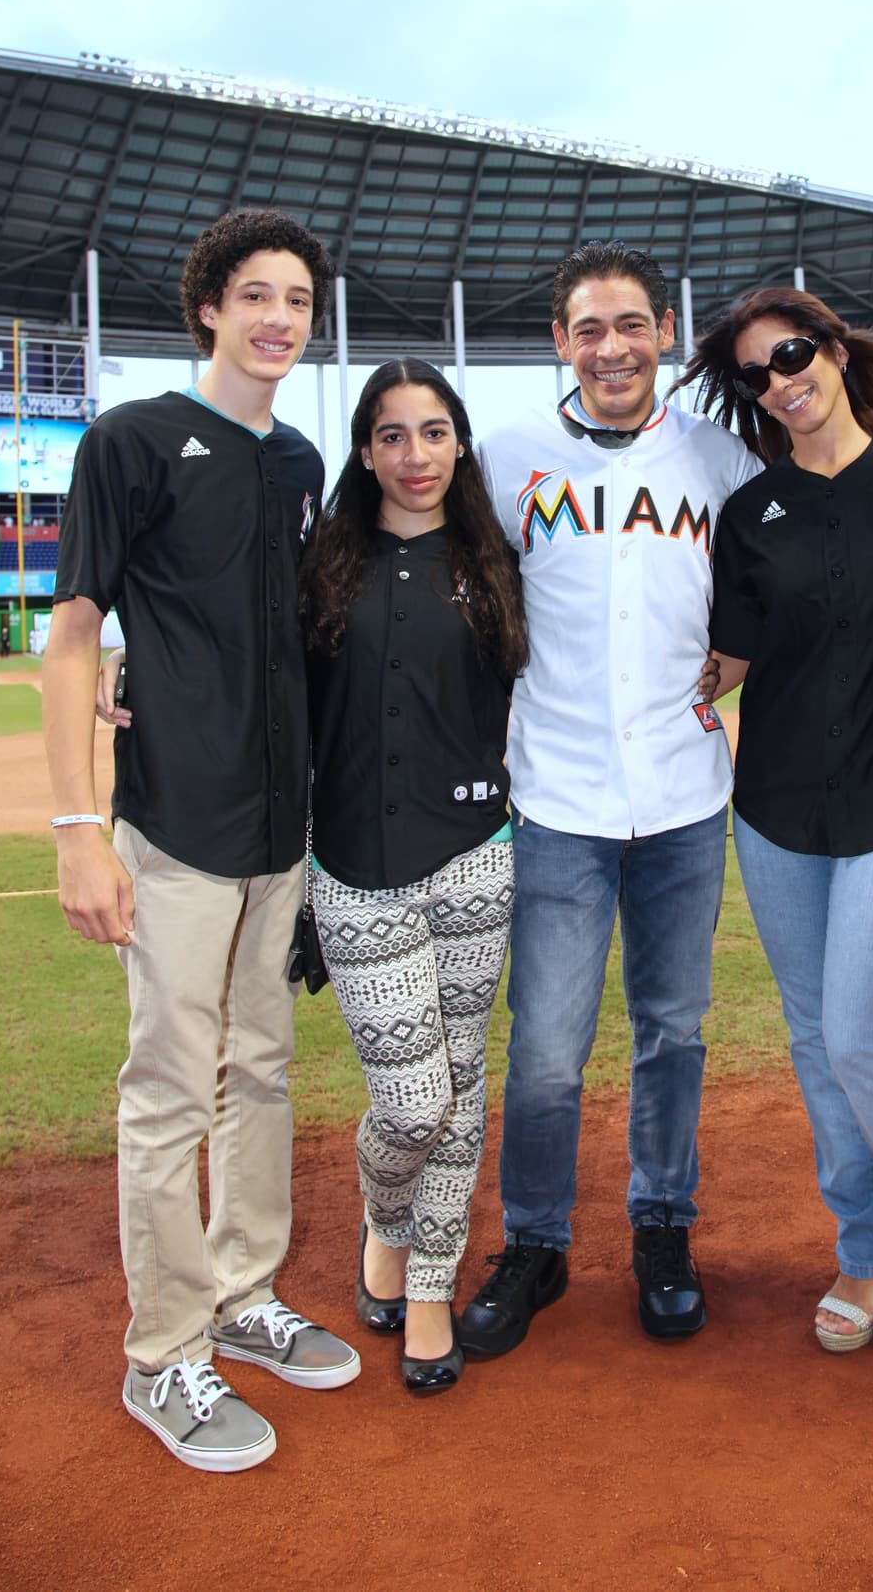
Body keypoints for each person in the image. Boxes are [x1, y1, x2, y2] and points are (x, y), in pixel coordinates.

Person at [43, 207, 360, 1474]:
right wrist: (78, 827)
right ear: (209, 308)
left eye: (298, 300)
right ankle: (163, 1351)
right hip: (172, 823)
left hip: (278, 829)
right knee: (170, 1087)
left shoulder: (299, 468)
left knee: (265, 1068)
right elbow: (75, 636)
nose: (281, 318)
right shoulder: (129, 440)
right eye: (258, 296)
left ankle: (242, 1295)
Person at [458, 241, 760, 1357]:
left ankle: (662, 1225)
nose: (611, 346)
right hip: (555, 795)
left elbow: (788, 594)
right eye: (587, 328)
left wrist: (733, 661)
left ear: (664, 332)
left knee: (671, 1030)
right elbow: (436, 590)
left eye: (629, 324)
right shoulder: (505, 458)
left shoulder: (720, 461)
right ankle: (534, 1244)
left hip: (683, 794)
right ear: (559, 342)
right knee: (544, 1046)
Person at [682, 288, 873, 1352]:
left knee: (857, 1031)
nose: (779, 379)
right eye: (755, 372)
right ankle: (859, 1242)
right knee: (812, 1040)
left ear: (836, 349)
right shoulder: (752, 512)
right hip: (776, 808)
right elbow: (729, 659)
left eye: (791, 353)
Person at [299, 359, 527, 1395]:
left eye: (434, 432)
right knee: (410, 1104)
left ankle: (425, 1283)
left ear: (459, 442)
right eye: (392, 435)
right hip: (354, 867)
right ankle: (385, 1216)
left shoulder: (494, 560)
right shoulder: (321, 566)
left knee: (462, 1083)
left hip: (474, 859)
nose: (415, 454)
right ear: (364, 450)